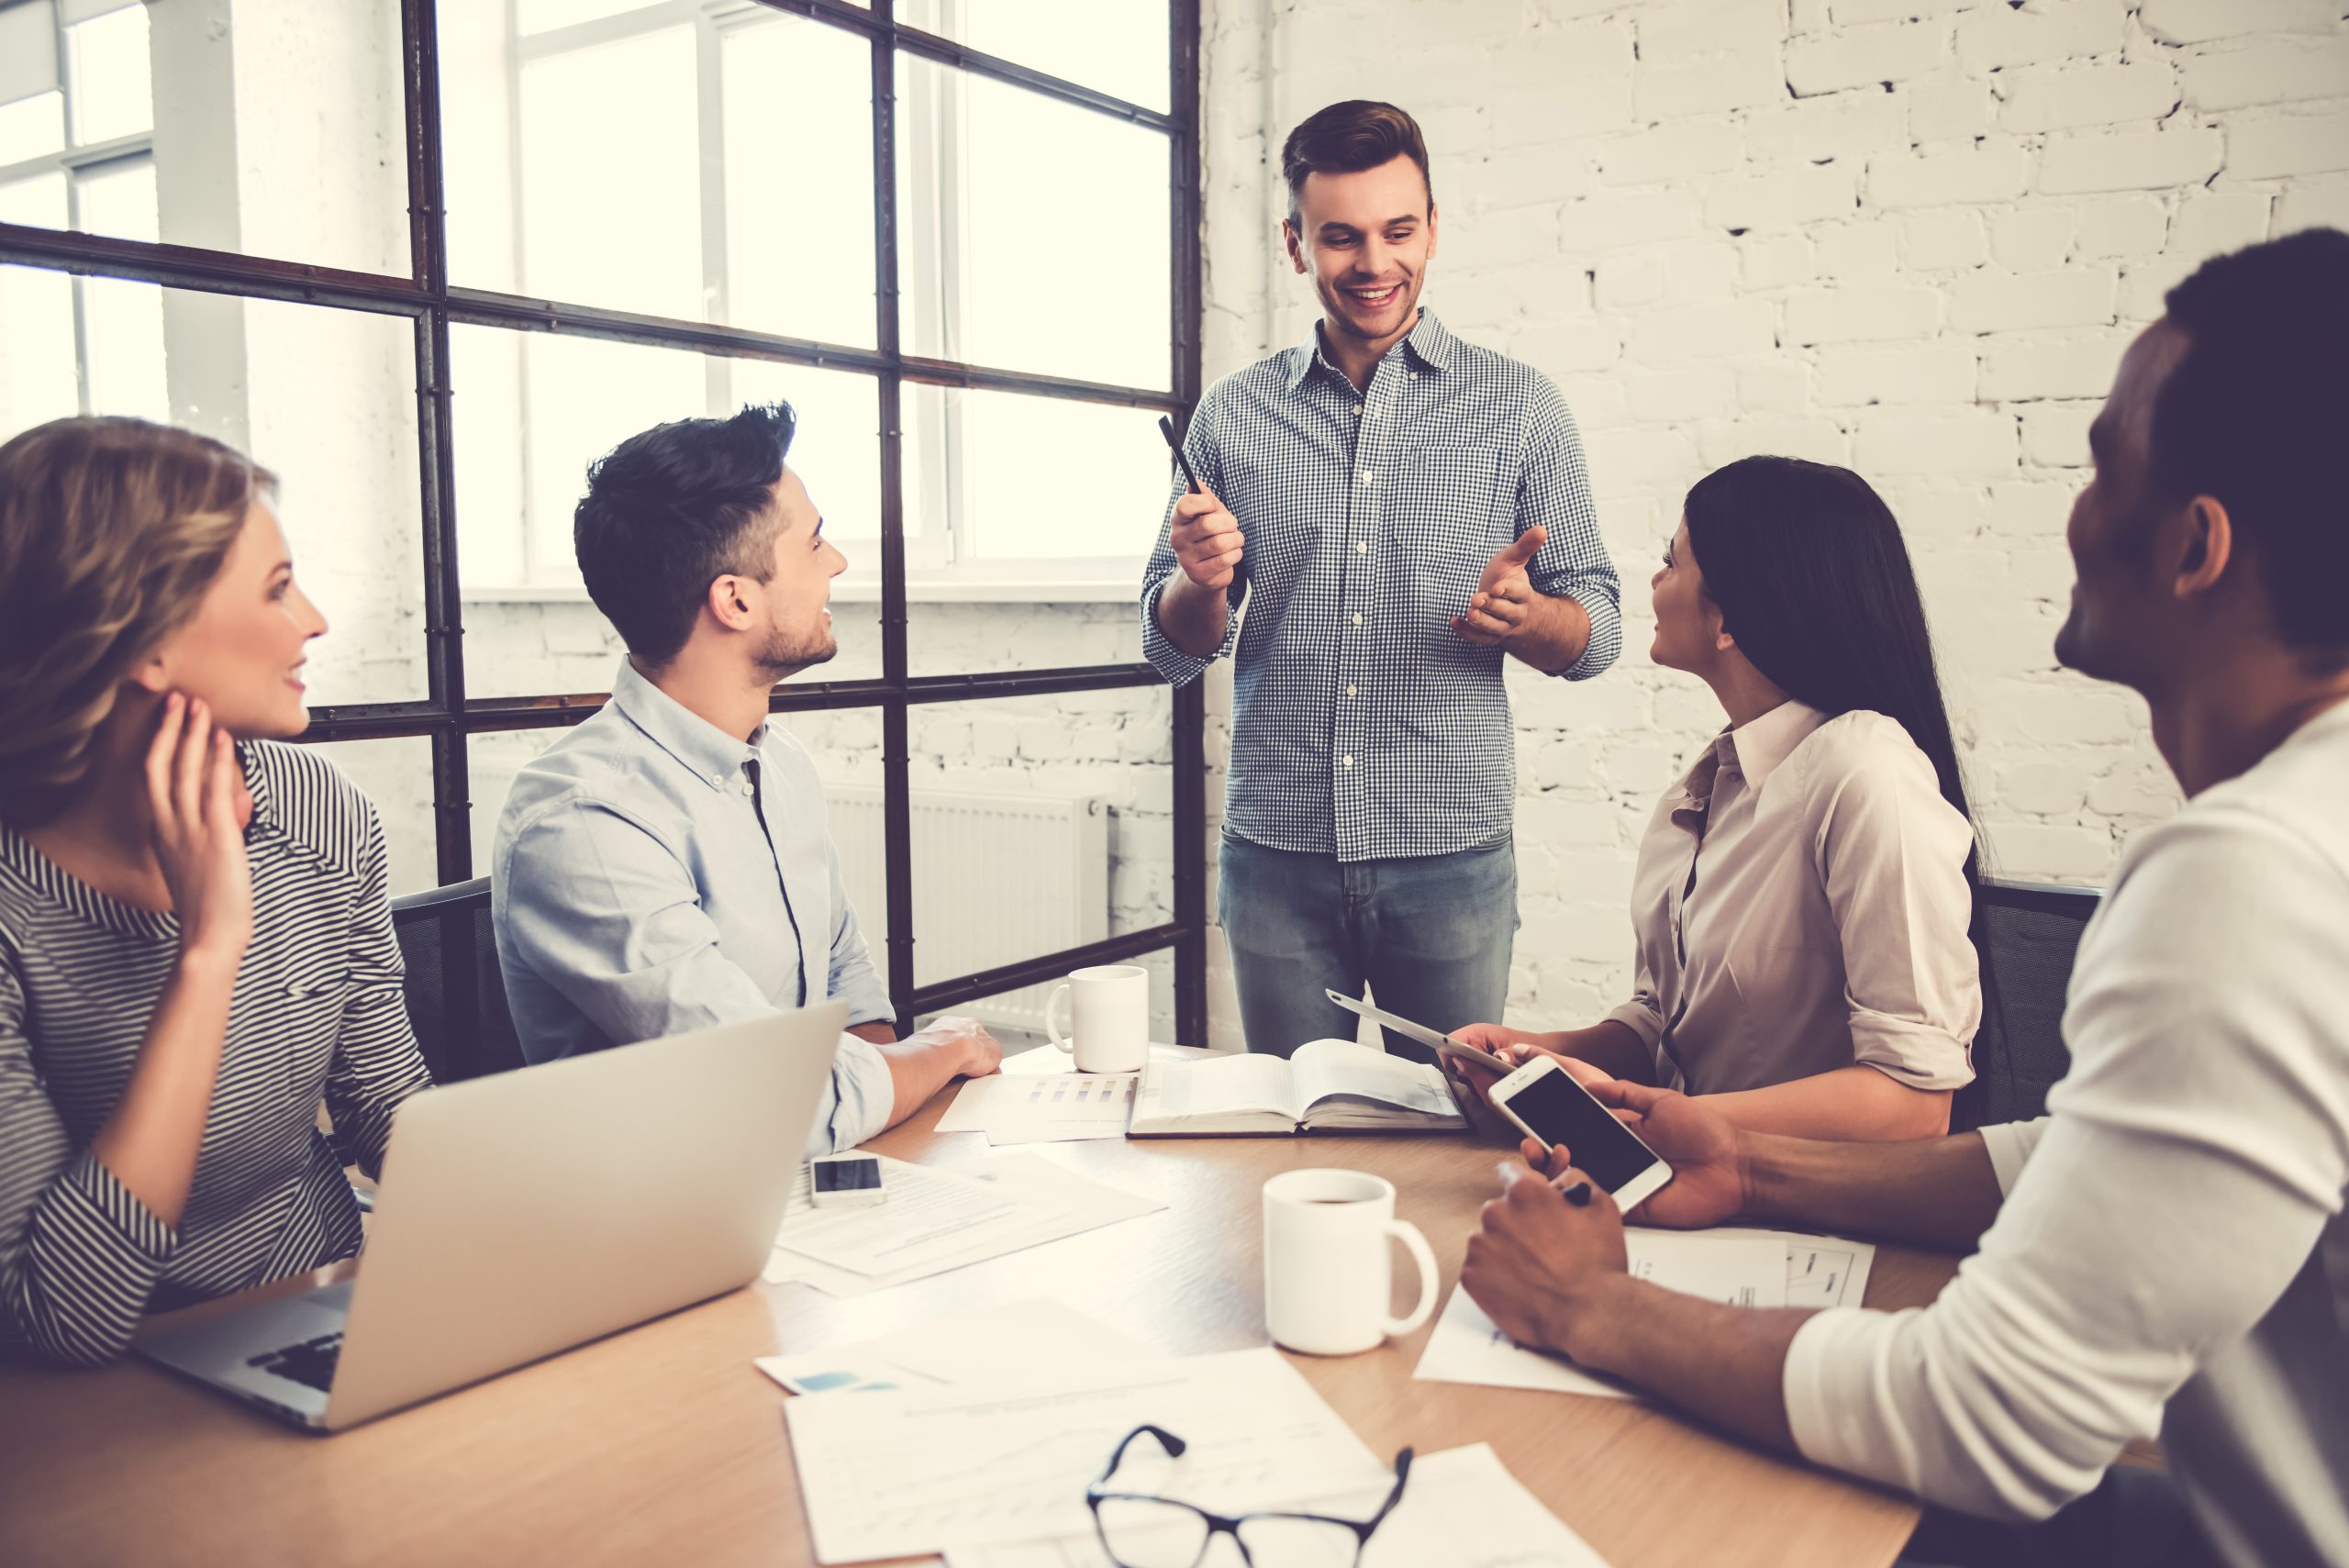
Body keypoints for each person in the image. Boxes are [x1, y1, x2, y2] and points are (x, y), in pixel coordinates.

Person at [1458, 230, 2349, 1568]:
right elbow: (2091, 1159)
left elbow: (1995, 1416)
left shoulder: (2259, 872)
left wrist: (1598, 1310)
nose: (2070, 505)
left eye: (2103, 461)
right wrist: (1743, 1159)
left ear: (2196, 547)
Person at [1140, 98, 1621, 1062]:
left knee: (1447, 1136)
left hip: (1449, 856)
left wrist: (1529, 619)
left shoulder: (1520, 409)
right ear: (1295, 243)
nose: (1373, 263)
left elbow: (1598, 632)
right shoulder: (1231, 417)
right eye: (1341, 237)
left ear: (1433, 227)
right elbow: (1169, 646)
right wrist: (1199, 583)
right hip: (1276, 859)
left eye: (1399, 231)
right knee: (1293, 1130)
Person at [0, 417, 434, 1369]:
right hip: (106, 1386)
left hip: (325, 1308)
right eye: (278, 589)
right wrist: (209, 948)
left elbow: (384, 1107)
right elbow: (60, 1316)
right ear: (143, 642)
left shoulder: (324, 812)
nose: (314, 619)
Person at [492, 403, 999, 1155]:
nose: (838, 563)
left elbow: (844, 978)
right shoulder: (582, 822)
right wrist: (944, 1050)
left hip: (807, 1192)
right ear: (735, 599)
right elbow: (770, 1099)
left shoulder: (779, 759)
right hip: (664, 1234)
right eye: (815, 542)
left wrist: (874, 1142)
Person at [1457, 458, 1980, 1141]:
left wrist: (1645, 1114)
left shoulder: (1866, 772)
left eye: (1671, 562)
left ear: (1730, 616)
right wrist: (1535, 1049)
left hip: (1804, 1215)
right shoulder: (1711, 782)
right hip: (1691, 1186)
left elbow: (1915, 1103)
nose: (1654, 580)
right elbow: (1663, 1022)